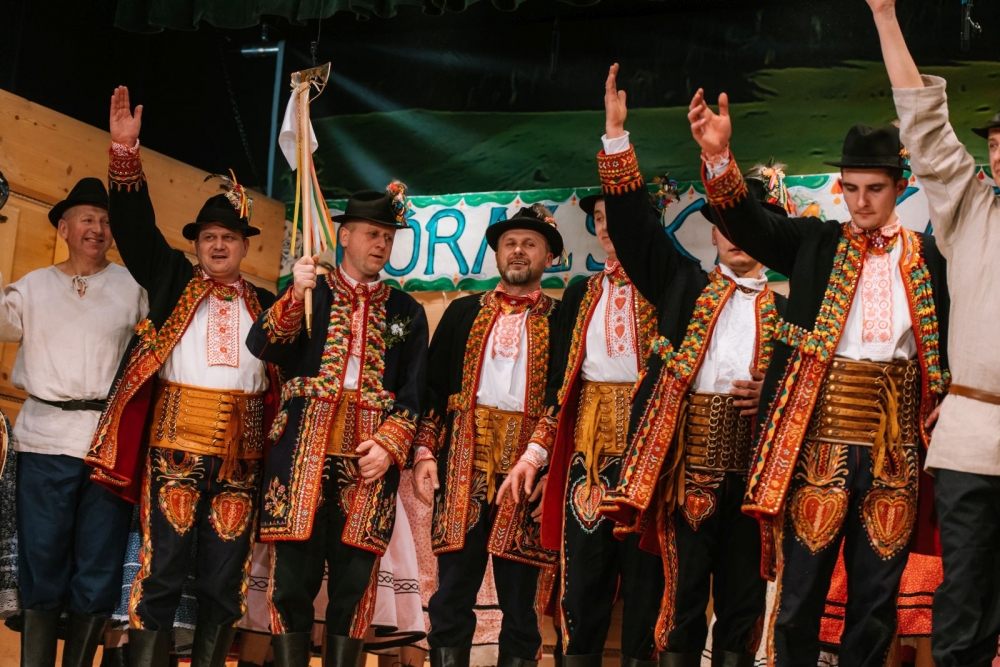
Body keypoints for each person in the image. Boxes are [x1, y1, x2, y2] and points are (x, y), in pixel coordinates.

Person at [687, 70, 950, 666]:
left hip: (894, 450)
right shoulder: (816, 245)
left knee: (875, 604)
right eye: (851, 188)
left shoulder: (930, 256)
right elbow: (750, 224)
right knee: (799, 598)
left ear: (900, 186)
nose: (861, 202)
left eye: (874, 189)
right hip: (820, 446)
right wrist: (720, 159)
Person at [596, 64, 789, 667]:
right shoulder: (683, 286)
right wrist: (616, 138)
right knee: (679, 608)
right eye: (724, 223)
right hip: (689, 473)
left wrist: (774, 390)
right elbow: (636, 234)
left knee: (743, 609)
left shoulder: (794, 310)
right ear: (712, 234)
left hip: (756, 478)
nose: (735, 235)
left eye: (746, 223)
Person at [86, 86, 278, 667]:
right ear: (195, 245)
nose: (218, 245)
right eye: (208, 237)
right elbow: (135, 227)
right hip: (175, 448)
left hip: (241, 457)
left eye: (228, 237)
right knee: (163, 570)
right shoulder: (172, 278)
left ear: (244, 247)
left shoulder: (269, 305)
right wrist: (125, 154)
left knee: (225, 581)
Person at [866, 2, 1000, 665]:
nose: (999, 151)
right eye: (995, 143)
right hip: (974, 440)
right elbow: (924, 124)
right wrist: (885, 16)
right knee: (964, 606)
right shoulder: (973, 210)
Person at [246, 185, 428, 667]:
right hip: (300, 458)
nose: (381, 244)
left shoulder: (406, 311)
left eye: (388, 237)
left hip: (368, 464)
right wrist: (294, 292)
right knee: (291, 584)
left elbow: (413, 394)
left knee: (354, 587)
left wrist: (389, 446)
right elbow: (261, 345)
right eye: (372, 233)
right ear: (344, 236)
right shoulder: (312, 293)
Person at [0, 176, 146, 667]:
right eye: (87, 219)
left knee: (98, 564)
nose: (97, 229)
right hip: (43, 441)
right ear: (63, 228)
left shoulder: (132, 287)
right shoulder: (33, 286)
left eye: (105, 221)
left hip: (108, 443)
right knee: (41, 559)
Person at [414, 204, 563, 667]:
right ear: (497, 254)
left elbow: (564, 399)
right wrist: (424, 451)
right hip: (464, 461)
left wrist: (547, 471)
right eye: (509, 243)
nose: (518, 251)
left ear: (550, 258)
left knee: (521, 601)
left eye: (530, 244)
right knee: (452, 591)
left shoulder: (563, 319)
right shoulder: (462, 312)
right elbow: (433, 387)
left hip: (527, 466)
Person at [532, 187, 662, 667]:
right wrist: (539, 456)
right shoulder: (581, 293)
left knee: (647, 582)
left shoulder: (665, 286)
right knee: (583, 581)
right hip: (587, 454)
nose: (607, 227)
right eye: (601, 219)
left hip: (649, 453)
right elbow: (560, 385)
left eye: (616, 217)